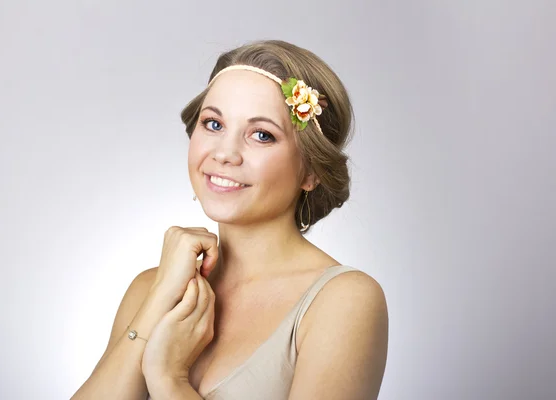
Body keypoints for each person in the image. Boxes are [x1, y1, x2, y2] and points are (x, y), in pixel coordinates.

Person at [72, 39, 388, 400]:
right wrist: (159, 298)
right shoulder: (151, 288)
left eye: (262, 134)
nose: (225, 153)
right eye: (213, 123)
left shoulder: (344, 301)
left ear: (311, 171)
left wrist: (169, 378)